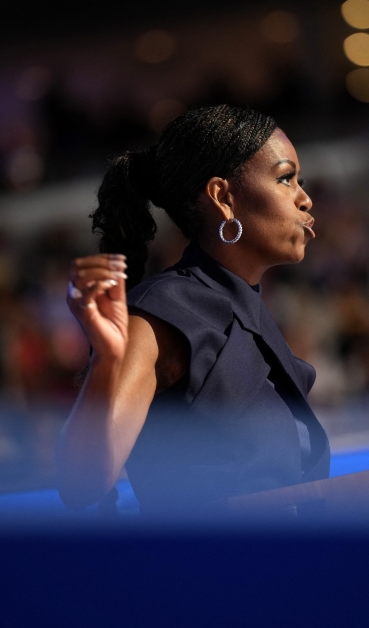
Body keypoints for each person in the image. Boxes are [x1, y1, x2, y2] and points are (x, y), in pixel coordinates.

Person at [56, 105, 329, 515]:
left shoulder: (245, 304)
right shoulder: (161, 312)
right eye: (285, 179)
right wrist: (108, 360)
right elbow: (82, 484)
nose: (305, 198)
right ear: (223, 197)